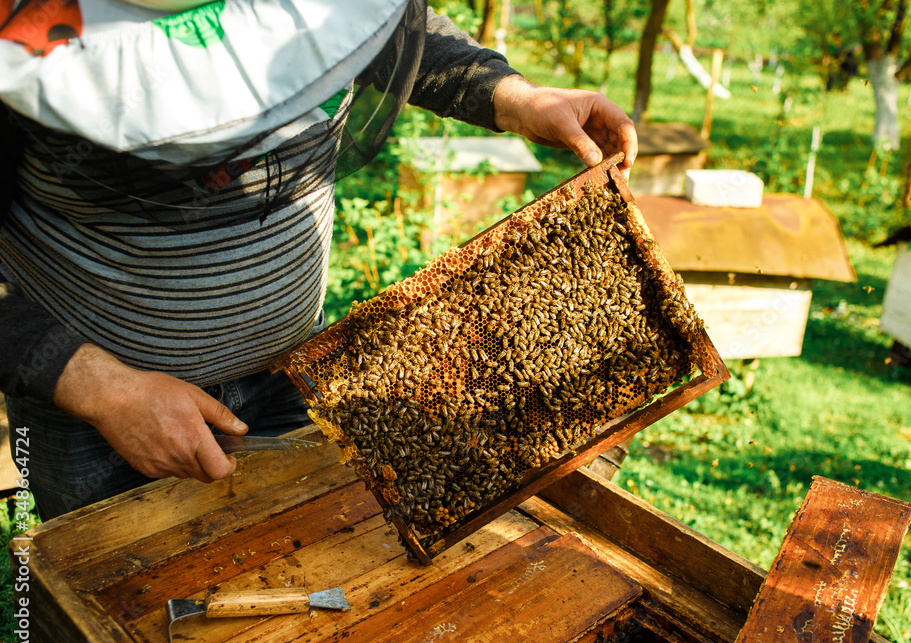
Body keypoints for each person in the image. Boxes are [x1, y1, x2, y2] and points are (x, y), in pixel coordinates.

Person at [0, 0, 637, 520]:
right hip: (96, 419)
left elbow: (372, 32)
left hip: (293, 373)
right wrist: (99, 388)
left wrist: (510, 94)